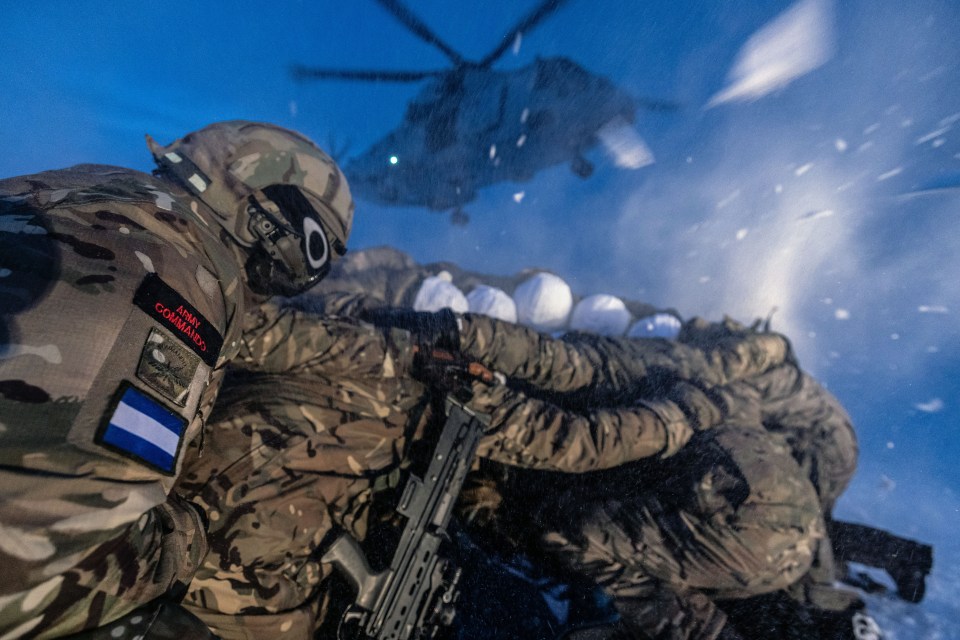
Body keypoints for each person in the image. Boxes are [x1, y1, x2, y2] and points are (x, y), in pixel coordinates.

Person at [170, 293, 800, 640]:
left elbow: (570, 431)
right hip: (257, 549)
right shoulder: (456, 380)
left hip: (199, 508)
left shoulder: (345, 326)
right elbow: (573, 436)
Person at [0, 120, 355, 638]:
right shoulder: (174, 270)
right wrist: (187, 538)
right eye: (312, 258)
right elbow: (34, 570)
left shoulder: (89, 192)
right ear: (274, 227)